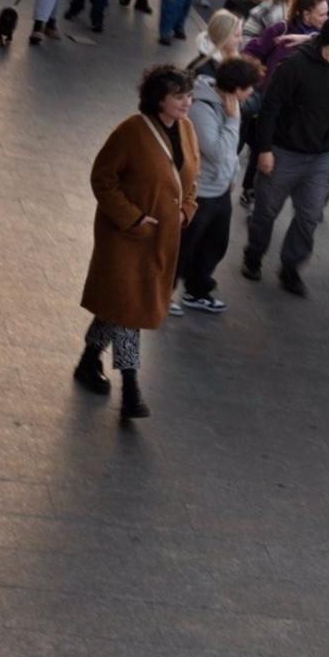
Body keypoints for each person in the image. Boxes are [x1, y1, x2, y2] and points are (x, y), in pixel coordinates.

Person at [73, 65, 200, 421]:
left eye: (189, 95)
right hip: (126, 238)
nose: (187, 103)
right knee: (130, 310)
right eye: (179, 96)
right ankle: (131, 388)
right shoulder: (130, 132)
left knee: (120, 305)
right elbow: (103, 178)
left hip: (161, 239)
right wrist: (132, 217)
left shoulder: (188, 131)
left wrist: (187, 210)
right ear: (158, 98)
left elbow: (191, 177)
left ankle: (88, 359)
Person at [241, 15, 329, 294]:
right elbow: (270, 108)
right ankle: (254, 255)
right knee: (265, 211)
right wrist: (264, 149)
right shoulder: (294, 66)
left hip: (321, 157)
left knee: (309, 216)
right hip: (283, 152)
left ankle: (290, 268)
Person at [177, 55, 262, 314]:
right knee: (185, 246)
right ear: (237, 89)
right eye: (250, 87)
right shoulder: (203, 107)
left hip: (220, 190)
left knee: (215, 244)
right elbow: (218, 151)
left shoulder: (229, 104)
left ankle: (197, 291)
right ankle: (163, 291)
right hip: (200, 192)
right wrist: (234, 120)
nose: (252, 93)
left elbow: (231, 155)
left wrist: (232, 176)